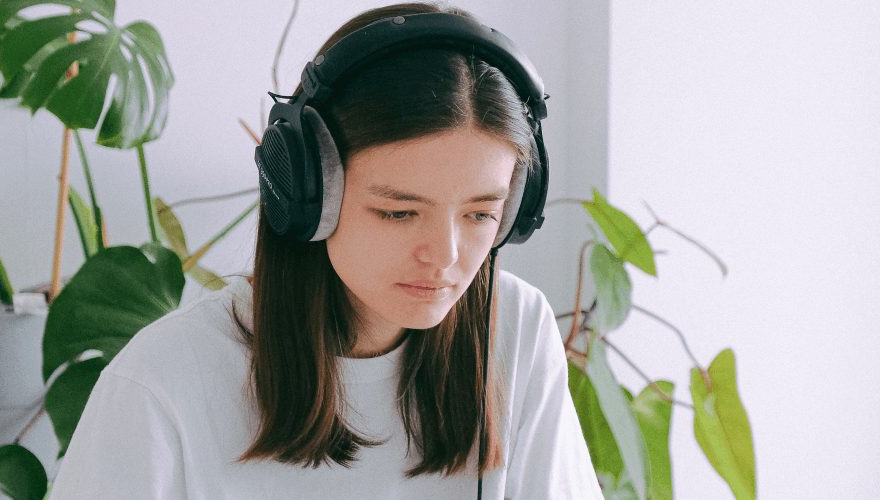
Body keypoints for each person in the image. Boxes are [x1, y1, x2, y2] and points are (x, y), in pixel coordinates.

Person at [49, 2, 603, 499]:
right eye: (399, 213)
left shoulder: (515, 328)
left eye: (480, 215)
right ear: (310, 194)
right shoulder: (163, 380)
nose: (445, 256)